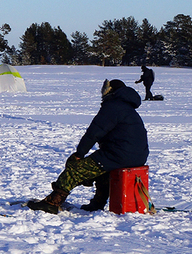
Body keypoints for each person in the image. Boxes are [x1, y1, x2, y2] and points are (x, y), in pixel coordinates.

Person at [28, 79, 149, 214]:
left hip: (119, 155)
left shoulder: (113, 107)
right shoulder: (127, 108)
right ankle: (97, 203)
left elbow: (94, 133)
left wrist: (79, 154)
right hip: (137, 157)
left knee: (75, 170)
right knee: (103, 171)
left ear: (111, 91)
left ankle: (52, 203)